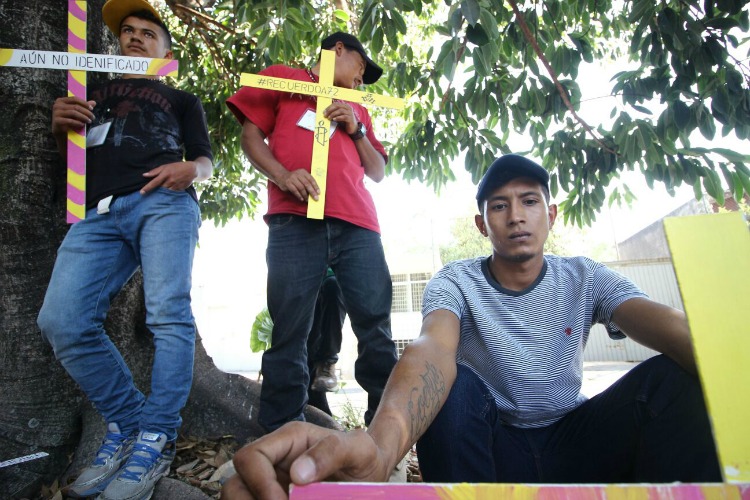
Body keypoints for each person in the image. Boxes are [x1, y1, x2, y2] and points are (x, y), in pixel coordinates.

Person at [222, 154, 722, 499]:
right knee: (453, 387)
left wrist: (730, 363)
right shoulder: (457, 281)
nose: (516, 216)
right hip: (492, 449)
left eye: (529, 201)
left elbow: (664, 323)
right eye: (499, 205)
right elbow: (431, 351)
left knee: (674, 378)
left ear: (551, 214)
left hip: (578, 442)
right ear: (482, 224)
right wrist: (380, 447)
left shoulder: (585, 277)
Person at [37, 0, 213, 498]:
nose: (135, 37)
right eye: (128, 31)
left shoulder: (181, 99)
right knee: (61, 320)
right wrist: (60, 130)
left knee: (168, 315)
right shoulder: (89, 93)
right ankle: (131, 422)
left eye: (148, 33)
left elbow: (205, 160)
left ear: (166, 53)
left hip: (163, 203)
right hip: (97, 213)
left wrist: (191, 170)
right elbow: (73, 162)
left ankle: (157, 437)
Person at [226, 32, 398, 433]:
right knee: (289, 329)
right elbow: (250, 136)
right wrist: (283, 175)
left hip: (358, 226)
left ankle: (384, 436)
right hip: (294, 221)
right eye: (361, 67)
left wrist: (356, 128)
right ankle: (283, 434)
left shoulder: (356, 106)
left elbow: (377, 171)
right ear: (338, 50)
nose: (361, 79)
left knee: (376, 327)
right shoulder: (282, 79)